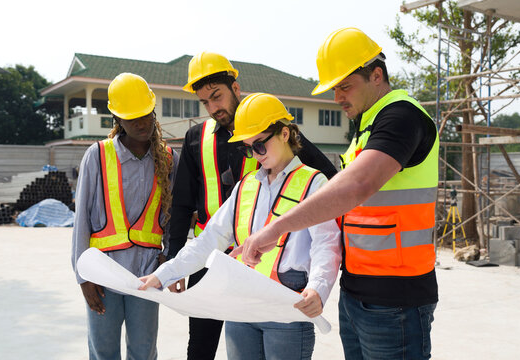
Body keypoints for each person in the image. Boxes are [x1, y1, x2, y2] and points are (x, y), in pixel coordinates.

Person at [232, 27, 439, 360]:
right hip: (359, 293)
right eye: (334, 88)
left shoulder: (402, 116)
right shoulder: (367, 126)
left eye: (345, 86)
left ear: (376, 75)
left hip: (397, 299)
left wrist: (276, 228)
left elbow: (356, 186)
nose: (337, 98)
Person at [139, 92, 341, 360]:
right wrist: (164, 274)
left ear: (284, 134)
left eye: (259, 145)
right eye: (248, 148)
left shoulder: (314, 184)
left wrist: (318, 288)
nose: (255, 155)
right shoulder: (246, 187)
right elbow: (209, 240)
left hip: (288, 311)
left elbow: (326, 245)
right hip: (241, 311)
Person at [71, 72, 179, 360]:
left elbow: (173, 217)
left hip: (146, 275)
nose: (142, 123)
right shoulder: (97, 155)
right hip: (103, 276)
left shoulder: (169, 159)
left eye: (146, 115)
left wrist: (168, 258)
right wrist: (83, 277)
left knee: (144, 353)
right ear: (117, 120)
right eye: (133, 119)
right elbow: (81, 219)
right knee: (103, 352)